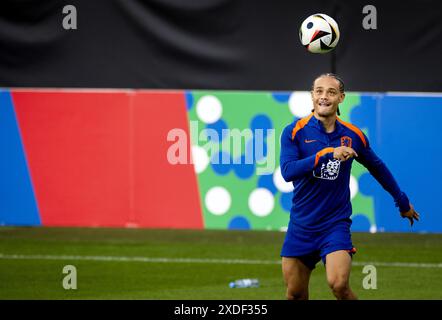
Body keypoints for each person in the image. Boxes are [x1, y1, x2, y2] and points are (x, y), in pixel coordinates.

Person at [279, 73, 419, 300]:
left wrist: (401, 201)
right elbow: (288, 171)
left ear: (341, 98)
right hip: (301, 226)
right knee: (295, 294)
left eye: (331, 92)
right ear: (312, 95)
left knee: (339, 284)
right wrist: (326, 154)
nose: (324, 97)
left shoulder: (353, 135)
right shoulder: (294, 132)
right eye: (319, 91)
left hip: (334, 225)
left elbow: (378, 168)